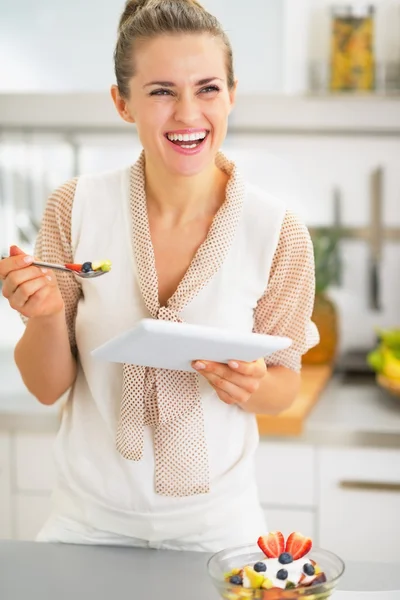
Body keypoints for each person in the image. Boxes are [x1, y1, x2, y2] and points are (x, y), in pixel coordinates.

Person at [0, 0, 318, 551]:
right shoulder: (73, 208)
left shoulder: (279, 232)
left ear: (233, 94)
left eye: (208, 88)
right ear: (123, 103)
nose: (188, 114)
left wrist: (253, 385)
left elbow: (284, 387)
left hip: (220, 528)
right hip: (85, 521)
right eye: (161, 91)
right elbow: (47, 387)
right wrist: (47, 318)